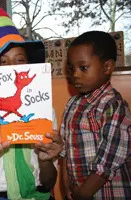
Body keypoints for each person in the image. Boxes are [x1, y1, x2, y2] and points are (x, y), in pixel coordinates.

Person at [0, 6, 63, 200]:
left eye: (19, 60)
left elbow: (49, 183)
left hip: (35, 193)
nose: (13, 69)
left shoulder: (43, 110)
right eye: (3, 62)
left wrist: (46, 159)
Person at [60, 31, 131, 200]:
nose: (75, 74)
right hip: (77, 192)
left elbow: (109, 158)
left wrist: (84, 192)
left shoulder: (113, 105)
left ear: (107, 67)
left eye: (83, 68)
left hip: (108, 194)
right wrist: (65, 182)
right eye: (72, 68)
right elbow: (65, 149)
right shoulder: (72, 104)